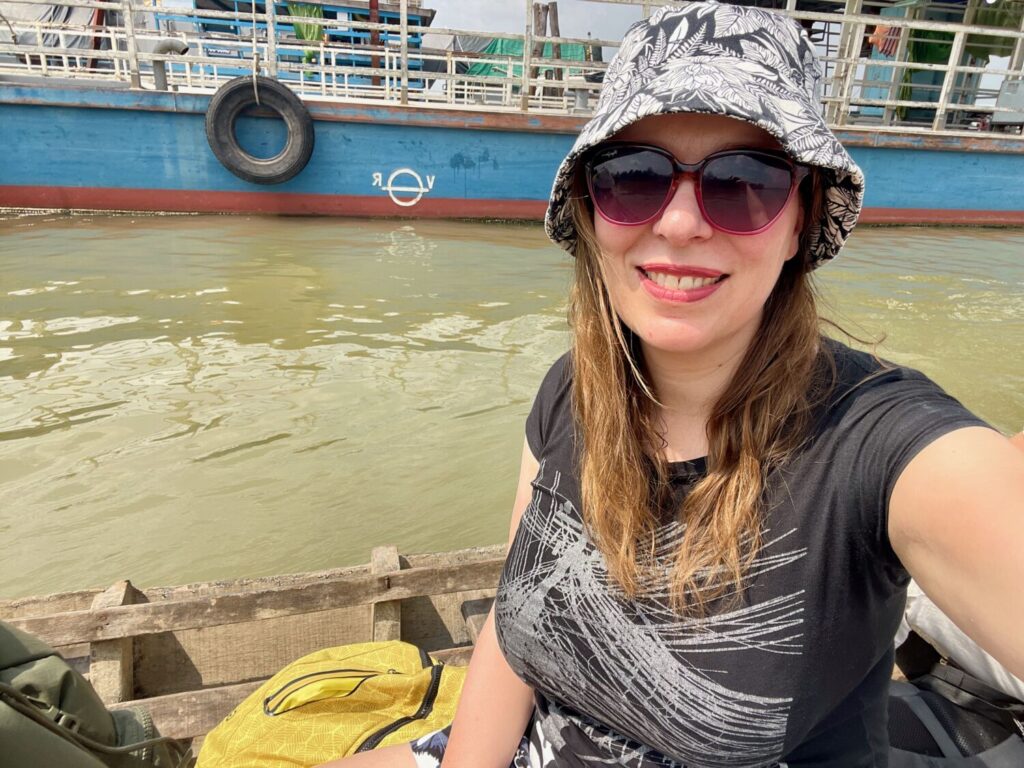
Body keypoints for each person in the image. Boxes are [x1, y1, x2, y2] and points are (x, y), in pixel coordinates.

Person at [323, 3, 1024, 766]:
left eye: (745, 181)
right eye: (634, 176)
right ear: (592, 210)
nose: (683, 223)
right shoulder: (573, 392)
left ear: (799, 220)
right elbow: (514, 620)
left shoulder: (877, 446)